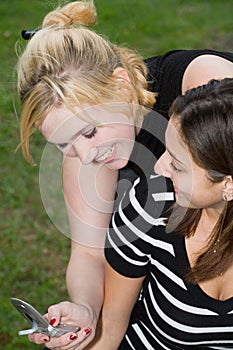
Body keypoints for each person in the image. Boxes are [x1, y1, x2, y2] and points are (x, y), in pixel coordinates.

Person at [16, 0, 233, 348]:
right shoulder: (85, 156)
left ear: (120, 87)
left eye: (88, 132)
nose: (84, 155)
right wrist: (86, 307)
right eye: (62, 144)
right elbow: (87, 253)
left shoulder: (204, 88)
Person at [92, 78, 233, 349]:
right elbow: (108, 329)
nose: (159, 167)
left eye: (177, 165)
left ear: (228, 184)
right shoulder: (150, 205)